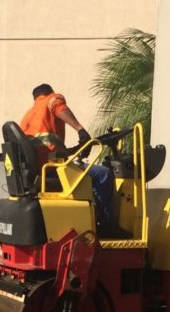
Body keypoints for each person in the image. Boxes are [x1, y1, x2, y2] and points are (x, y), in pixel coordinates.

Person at [20, 83, 130, 238]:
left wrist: (76, 149)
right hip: (54, 171)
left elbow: (46, 149)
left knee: (85, 173)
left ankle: (94, 216)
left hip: (42, 171)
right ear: (48, 93)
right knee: (104, 174)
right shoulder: (50, 100)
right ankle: (106, 225)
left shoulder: (28, 117)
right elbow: (56, 105)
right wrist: (80, 129)